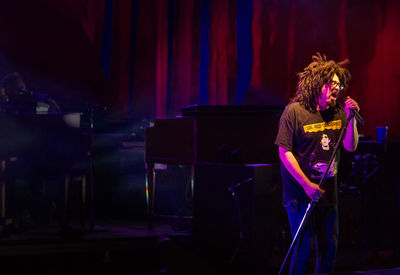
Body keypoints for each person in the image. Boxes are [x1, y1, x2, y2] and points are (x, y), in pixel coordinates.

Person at [274, 53, 359, 274]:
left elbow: (350, 146)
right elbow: (285, 153)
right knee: (304, 253)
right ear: (317, 83)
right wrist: (306, 184)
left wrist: (351, 119)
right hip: (300, 195)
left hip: (328, 195)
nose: (336, 88)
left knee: (328, 251)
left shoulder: (339, 112)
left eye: (339, 85)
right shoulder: (295, 112)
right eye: (332, 83)